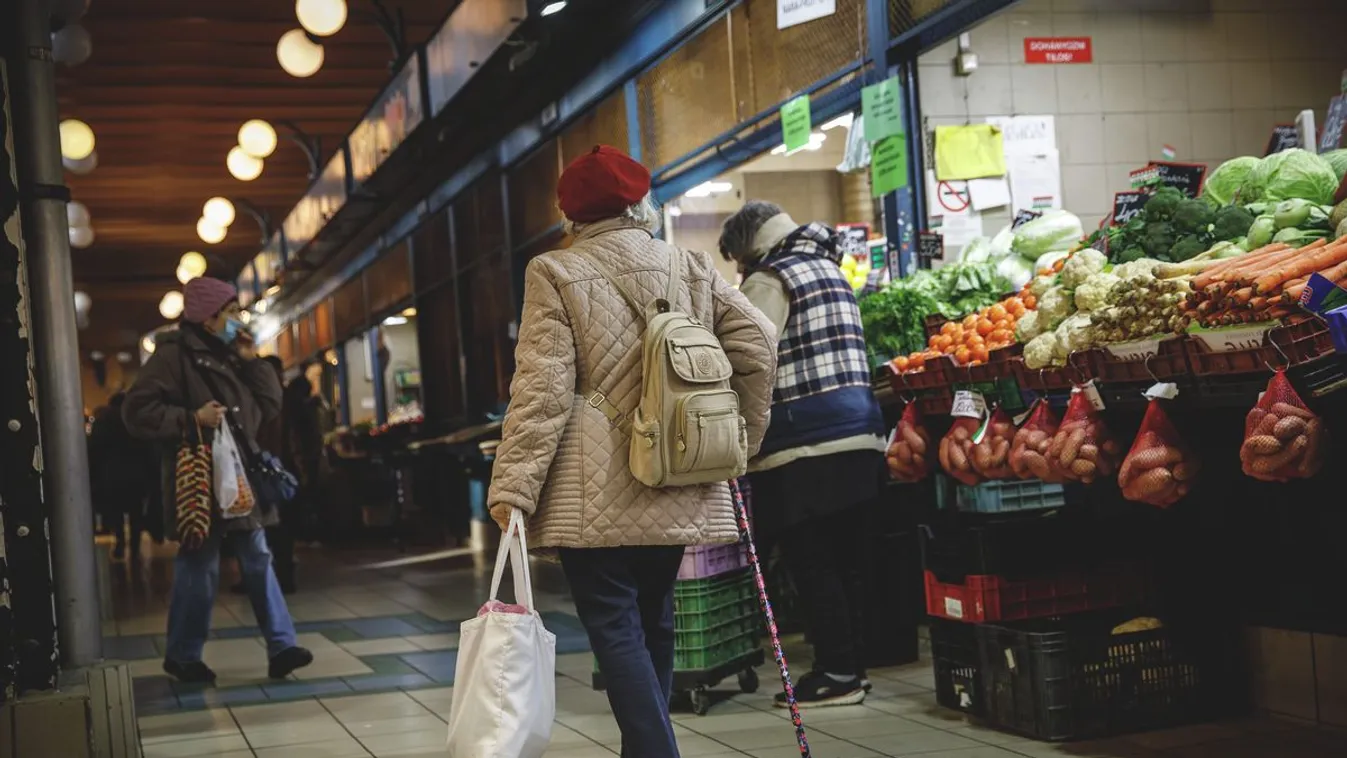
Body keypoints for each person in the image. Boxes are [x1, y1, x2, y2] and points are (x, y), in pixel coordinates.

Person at [487, 146, 777, 757]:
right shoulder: (691, 267)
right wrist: (737, 442)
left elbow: (542, 390)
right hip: (676, 469)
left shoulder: (555, 272)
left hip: (591, 490)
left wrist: (513, 488)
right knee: (654, 617)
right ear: (639, 202)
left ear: (572, 213)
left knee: (615, 626)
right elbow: (758, 342)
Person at [717, 201, 887, 708]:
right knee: (847, 559)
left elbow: (747, 359)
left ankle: (836, 674)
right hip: (860, 433)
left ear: (749, 248)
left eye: (738, 261)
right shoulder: (829, 268)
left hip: (805, 443)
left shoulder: (771, 278)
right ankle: (852, 666)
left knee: (813, 561)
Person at [122, 276, 313, 683]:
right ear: (209, 318)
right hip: (200, 479)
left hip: (238, 477)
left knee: (258, 558)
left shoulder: (232, 355)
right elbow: (136, 411)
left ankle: (283, 647)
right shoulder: (172, 357)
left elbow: (268, 407)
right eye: (229, 313)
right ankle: (184, 654)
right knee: (199, 565)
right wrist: (190, 419)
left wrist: (251, 359)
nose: (236, 320)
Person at [89, 393, 152, 560]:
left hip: (111, 473)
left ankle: (119, 543)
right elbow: (148, 448)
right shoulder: (136, 419)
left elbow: (95, 448)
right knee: (135, 512)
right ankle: (135, 546)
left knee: (115, 511)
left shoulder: (104, 420)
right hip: (136, 473)